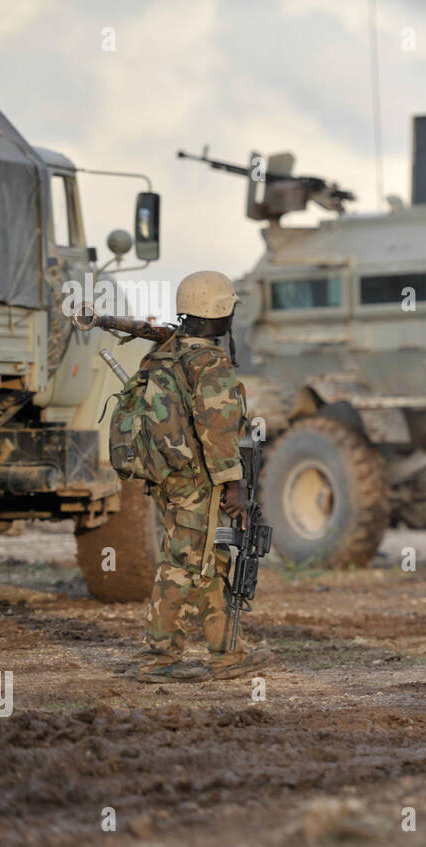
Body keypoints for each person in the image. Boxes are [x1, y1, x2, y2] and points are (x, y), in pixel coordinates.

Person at [137, 270, 272, 683]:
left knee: (210, 560)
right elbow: (217, 432)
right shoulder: (209, 362)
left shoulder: (163, 354)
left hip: (170, 476)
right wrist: (235, 485)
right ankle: (160, 659)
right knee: (183, 563)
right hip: (200, 481)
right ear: (219, 313)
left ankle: (227, 652)